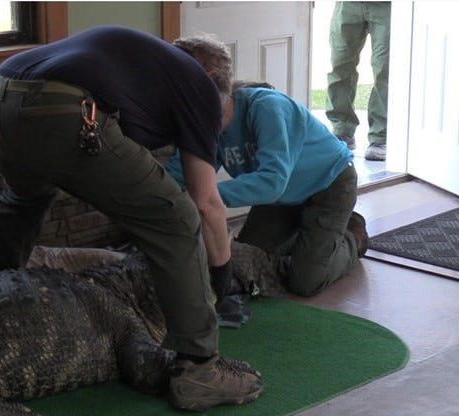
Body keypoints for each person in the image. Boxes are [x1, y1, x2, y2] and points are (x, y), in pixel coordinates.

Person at [0, 25, 263, 411]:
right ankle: (199, 370)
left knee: (23, 200)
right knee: (175, 218)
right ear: (213, 80)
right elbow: (204, 201)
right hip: (63, 106)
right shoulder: (200, 86)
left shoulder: (142, 65)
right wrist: (220, 281)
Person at [166, 81, 368, 298]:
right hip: (284, 196)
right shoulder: (205, 127)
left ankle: (352, 238)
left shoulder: (268, 108)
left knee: (305, 282)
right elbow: (176, 176)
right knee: (248, 257)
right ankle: (311, 238)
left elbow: (272, 182)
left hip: (330, 183)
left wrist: (209, 195)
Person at [326, 1, 391, 161]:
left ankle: (380, 137)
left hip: (387, 6)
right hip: (348, 4)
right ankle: (341, 130)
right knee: (340, 65)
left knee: (385, 70)